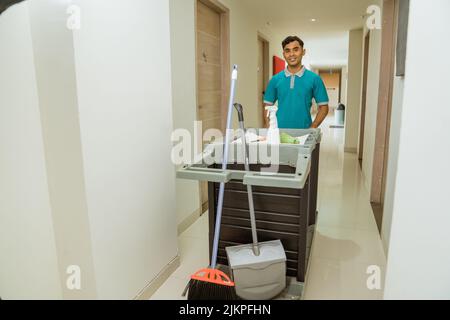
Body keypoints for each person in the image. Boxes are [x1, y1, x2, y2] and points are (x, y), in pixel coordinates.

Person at [264, 36, 329, 129]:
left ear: (303, 52)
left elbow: (324, 107)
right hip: (279, 132)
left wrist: (313, 127)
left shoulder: (315, 79)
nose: (291, 54)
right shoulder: (275, 80)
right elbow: (267, 106)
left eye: (295, 50)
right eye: (287, 51)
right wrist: (269, 127)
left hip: (304, 132)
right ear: (284, 54)